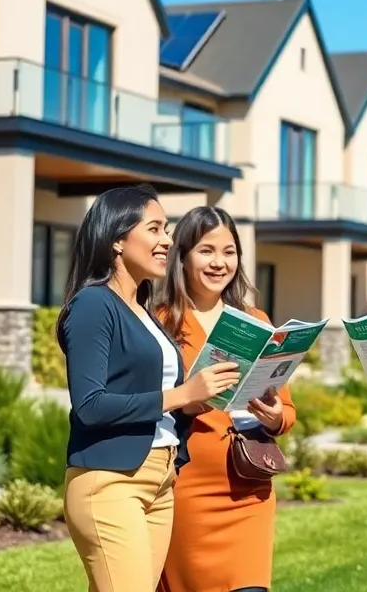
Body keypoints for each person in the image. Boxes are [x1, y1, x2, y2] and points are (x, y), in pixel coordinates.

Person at [59, 185, 242, 592]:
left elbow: (148, 396)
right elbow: (90, 405)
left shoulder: (142, 309)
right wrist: (180, 394)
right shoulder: (93, 305)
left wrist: (190, 405)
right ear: (117, 240)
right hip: (109, 482)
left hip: (160, 481)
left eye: (167, 230)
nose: (167, 241)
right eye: (155, 229)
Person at [156, 206, 297, 592]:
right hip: (188, 493)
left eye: (229, 251)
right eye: (206, 251)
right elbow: (147, 403)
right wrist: (186, 400)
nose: (219, 263)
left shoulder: (256, 318)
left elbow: (286, 412)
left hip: (251, 487)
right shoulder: (160, 321)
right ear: (181, 256)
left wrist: (272, 417)